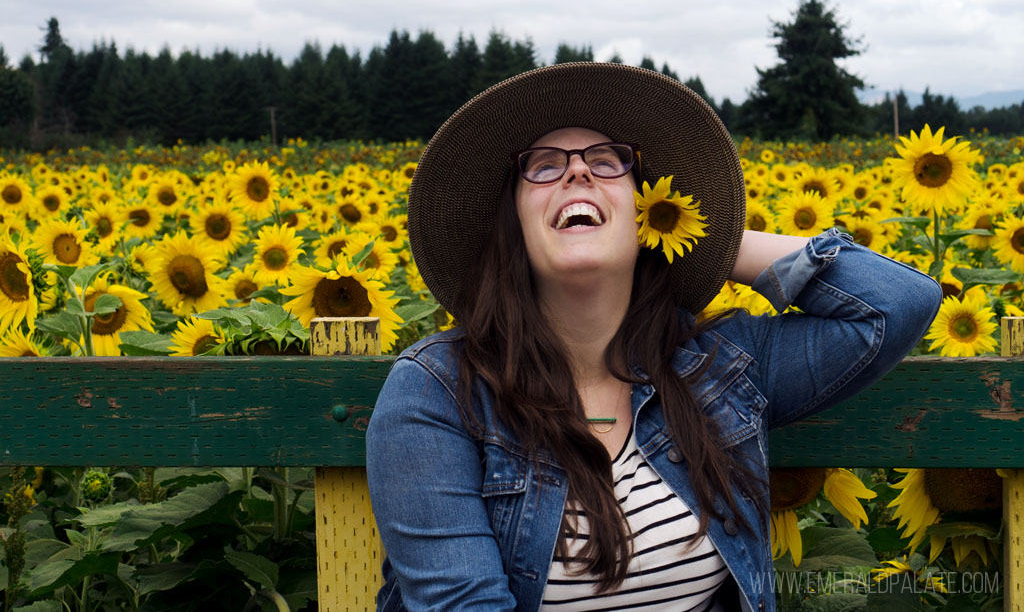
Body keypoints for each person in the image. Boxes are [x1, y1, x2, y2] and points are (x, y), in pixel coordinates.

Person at [366, 63, 943, 611]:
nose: (578, 171)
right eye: (542, 166)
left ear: (643, 208)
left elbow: (897, 304)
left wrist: (698, 234)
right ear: (511, 222)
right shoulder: (438, 393)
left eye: (608, 161)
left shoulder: (722, 368)